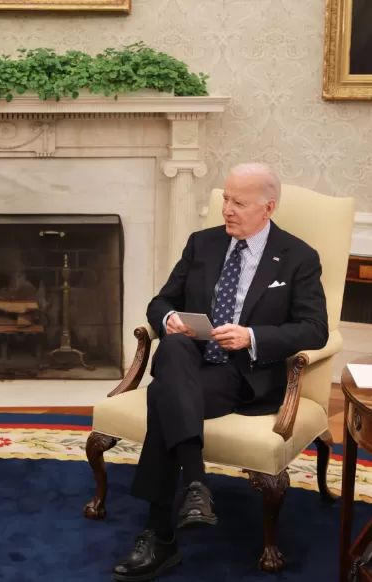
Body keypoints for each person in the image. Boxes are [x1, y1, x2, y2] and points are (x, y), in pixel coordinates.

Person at [111, 163, 328, 581]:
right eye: (225, 199)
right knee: (174, 346)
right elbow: (161, 301)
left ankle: (159, 536)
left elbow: (314, 329)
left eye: (238, 203)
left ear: (268, 207)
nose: (226, 209)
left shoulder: (298, 256)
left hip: (244, 373)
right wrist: (171, 316)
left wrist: (251, 336)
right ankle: (196, 486)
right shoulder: (202, 244)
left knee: (162, 397)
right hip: (189, 358)